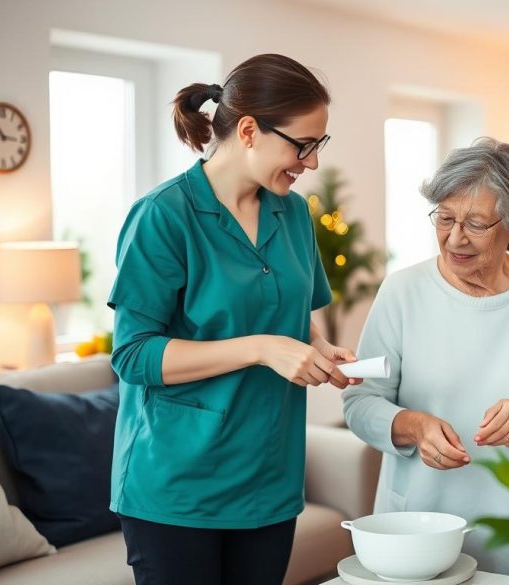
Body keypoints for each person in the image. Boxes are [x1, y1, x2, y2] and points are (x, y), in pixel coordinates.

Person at [107, 53, 358, 585]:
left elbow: (288, 311)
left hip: (269, 478)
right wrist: (263, 348)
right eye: (303, 145)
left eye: (319, 145)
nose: (311, 162)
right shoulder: (163, 216)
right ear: (248, 130)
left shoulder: (291, 213)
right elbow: (133, 355)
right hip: (177, 486)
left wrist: (315, 345)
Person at [343, 138, 509, 579]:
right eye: (444, 218)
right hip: (416, 530)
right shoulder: (402, 292)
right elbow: (360, 403)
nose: (454, 237)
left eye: (476, 224)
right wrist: (411, 425)